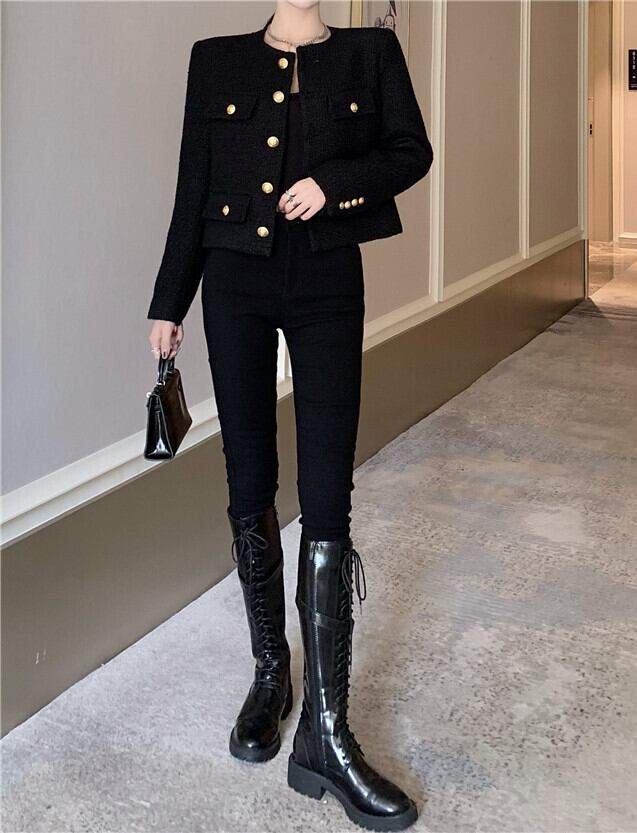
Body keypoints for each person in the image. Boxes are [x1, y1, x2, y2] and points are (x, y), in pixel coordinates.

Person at [146, 2, 433, 830]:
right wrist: (168, 301)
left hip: (327, 281)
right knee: (249, 481)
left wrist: (333, 185)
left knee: (328, 494)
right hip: (233, 283)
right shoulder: (216, 59)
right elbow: (193, 185)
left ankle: (326, 732)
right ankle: (271, 673)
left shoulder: (372, 54)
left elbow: (411, 151)